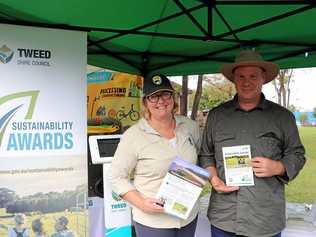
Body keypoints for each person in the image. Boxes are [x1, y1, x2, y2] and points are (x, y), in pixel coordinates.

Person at [199, 50, 306, 237]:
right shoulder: (217, 115)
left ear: (263, 78)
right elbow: (206, 154)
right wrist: (214, 179)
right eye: (241, 76)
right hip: (224, 216)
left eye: (253, 76)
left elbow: (297, 154)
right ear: (233, 79)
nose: (246, 82)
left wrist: (279, 166)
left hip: (264, 217)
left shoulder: (282, 117)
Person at [110, 74, 201, 237]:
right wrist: (142, 204)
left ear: (173, 98)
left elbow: (200, 158)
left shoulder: (189, 126)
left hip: (187, 216)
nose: (161, 101)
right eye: (154, 96)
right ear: (145, 102)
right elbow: (117, 177)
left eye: (165, 94)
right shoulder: (134, 135)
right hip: (153, 222)